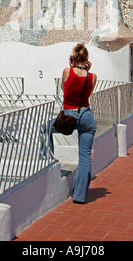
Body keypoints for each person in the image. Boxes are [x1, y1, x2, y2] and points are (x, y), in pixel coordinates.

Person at [46, 43, 97, 204]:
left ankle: (49, 160)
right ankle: (80, 195)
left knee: (45, 128)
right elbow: (88, 91)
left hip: (69, 115)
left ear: (73, 59)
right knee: (84, 157)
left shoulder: (67, 72)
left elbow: (64, 88)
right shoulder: (92, 76)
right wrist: (86, 70)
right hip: (86, 116)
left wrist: (71, 66)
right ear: (87, 59)